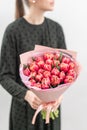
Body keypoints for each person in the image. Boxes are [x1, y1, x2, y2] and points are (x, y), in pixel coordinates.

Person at [0, 0, 67, 130]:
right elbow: (4, 76)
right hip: (23, 113)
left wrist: (59, 95)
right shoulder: (13, 31)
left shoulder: (56, 29)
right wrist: (27, 95)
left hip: (51, 112)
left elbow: (65, 72)